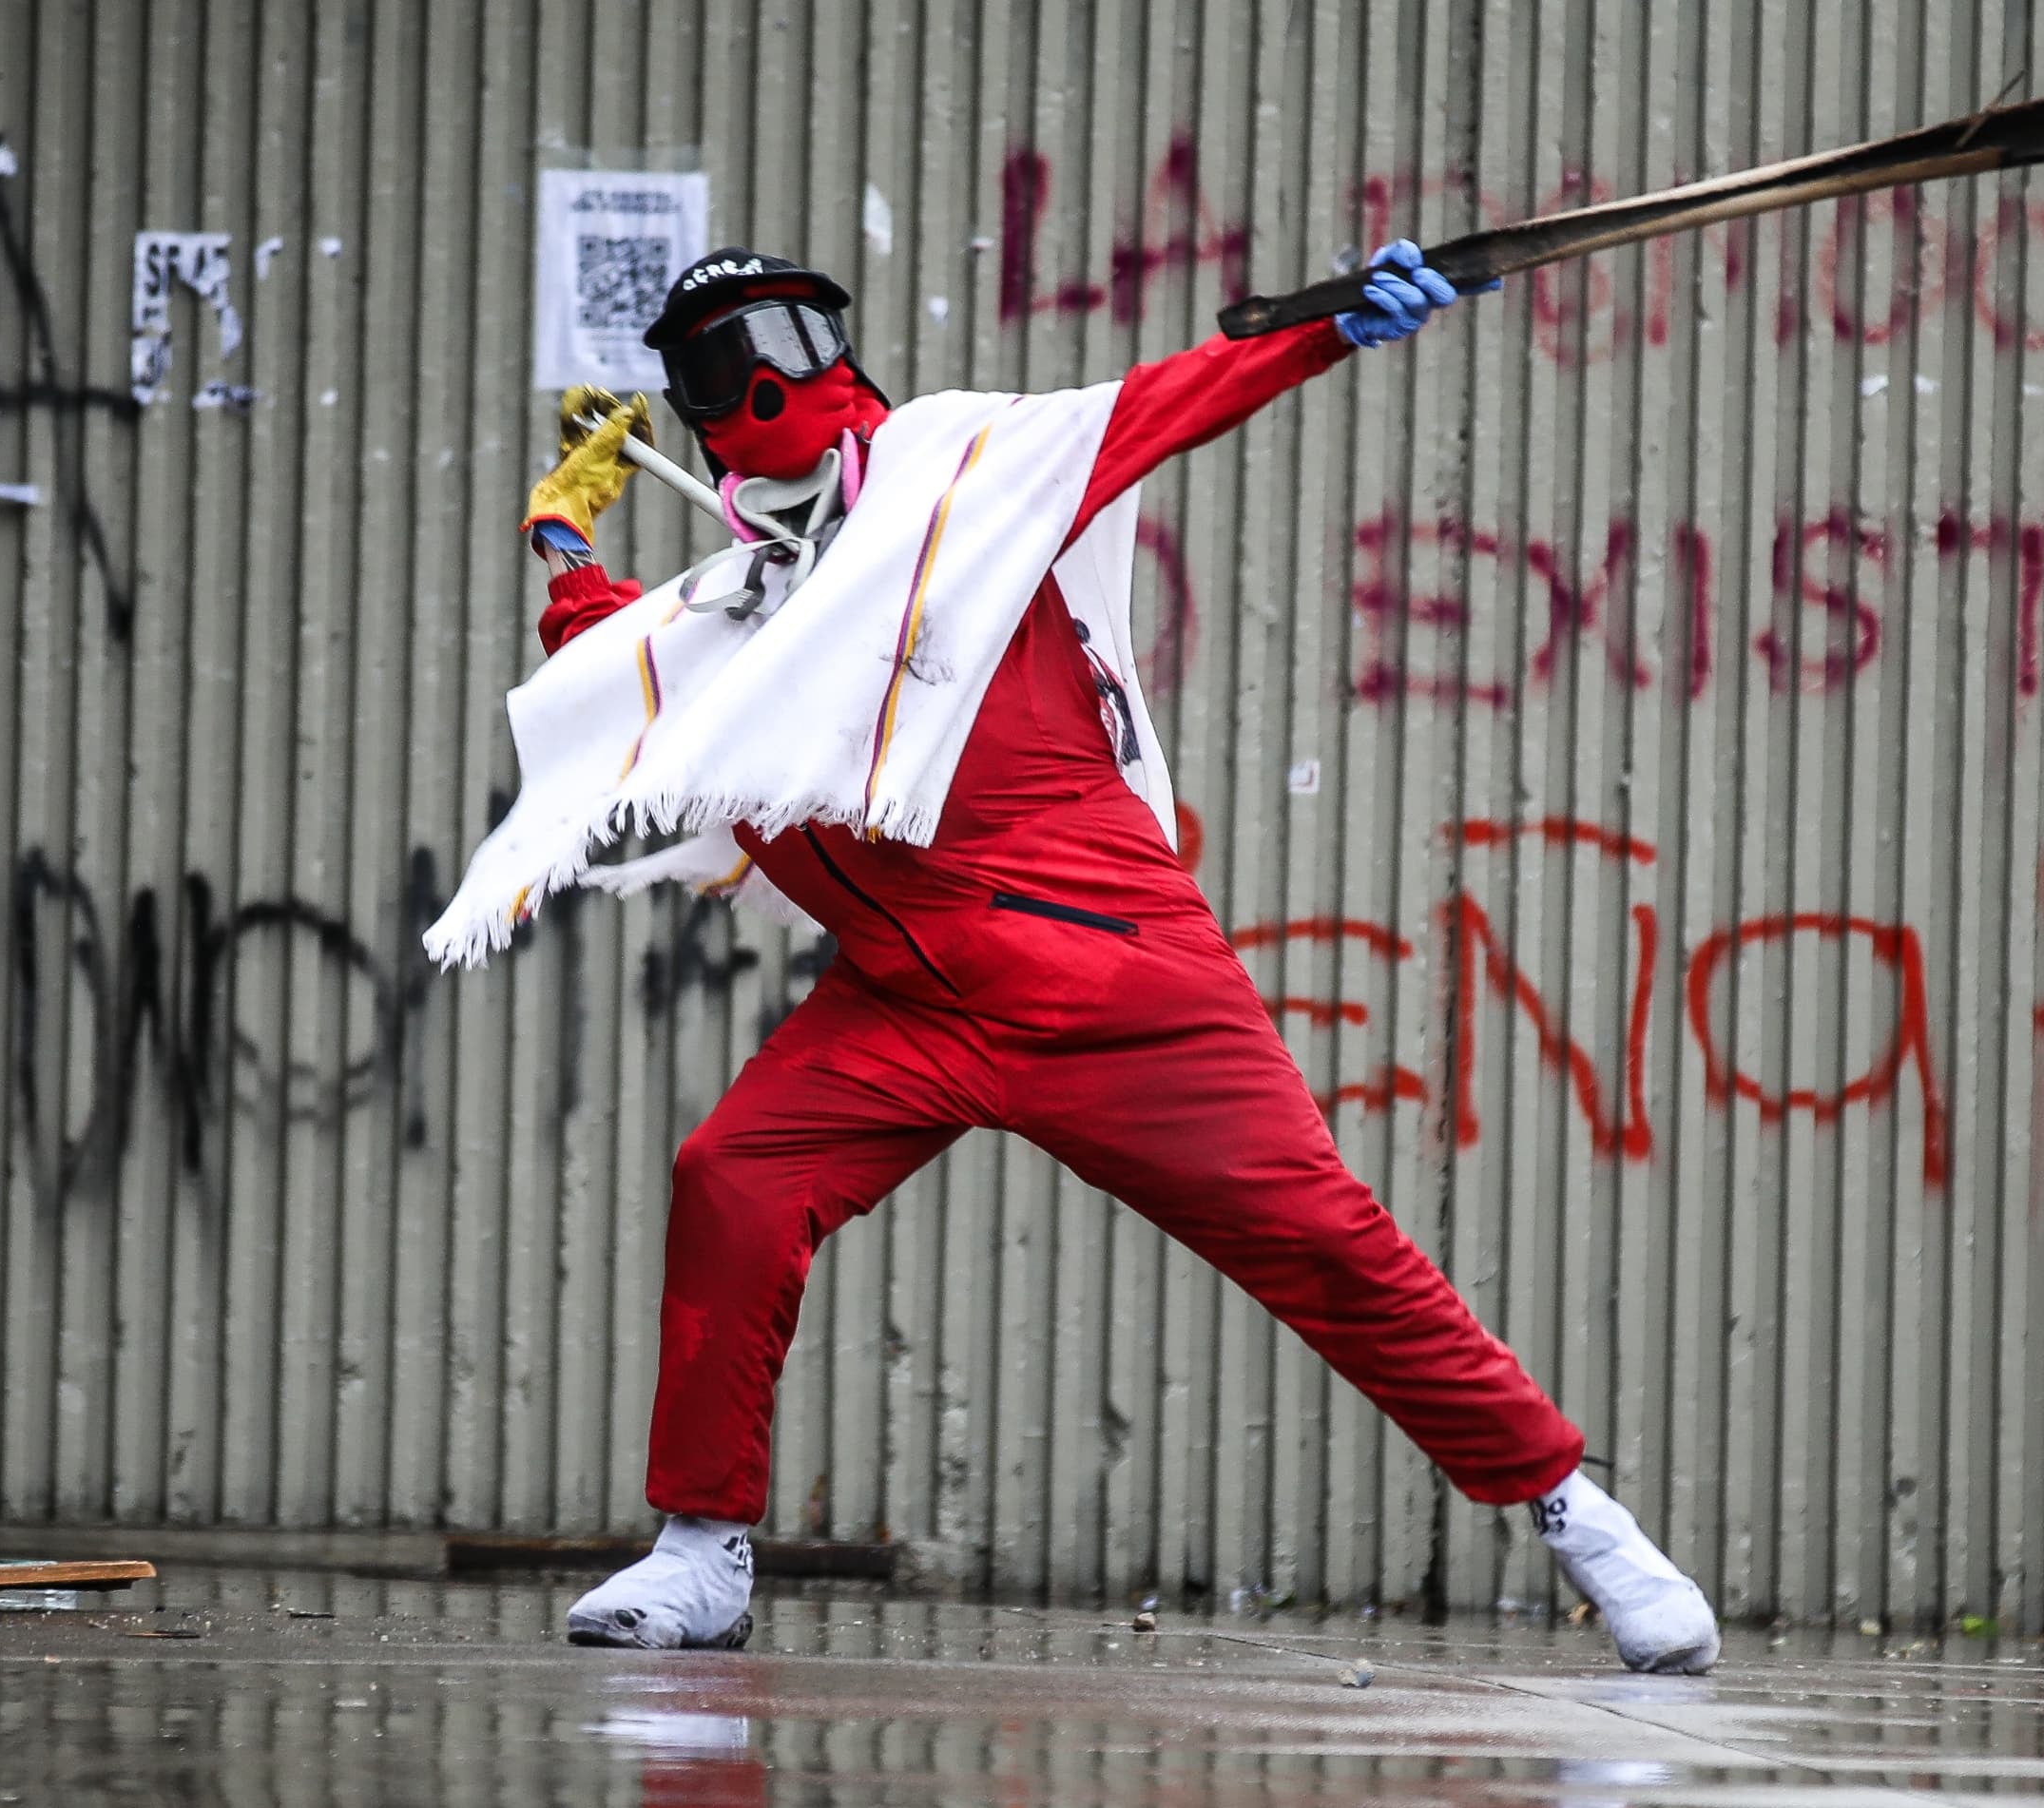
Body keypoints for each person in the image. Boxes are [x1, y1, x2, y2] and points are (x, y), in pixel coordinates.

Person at [426, 244, 1717, 1673]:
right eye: (724, 363)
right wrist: (560, 533)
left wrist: (1338, 323)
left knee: (1329, 1241)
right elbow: (618, 670)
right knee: (734, 1176)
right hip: (903, 998)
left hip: (1112, 976)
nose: (775, 377)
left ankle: (1575, 1510)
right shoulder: (739, 611)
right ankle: (698, 1551)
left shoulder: (967, 481)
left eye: (793, 334)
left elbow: (1170, 398)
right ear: (697, 411)